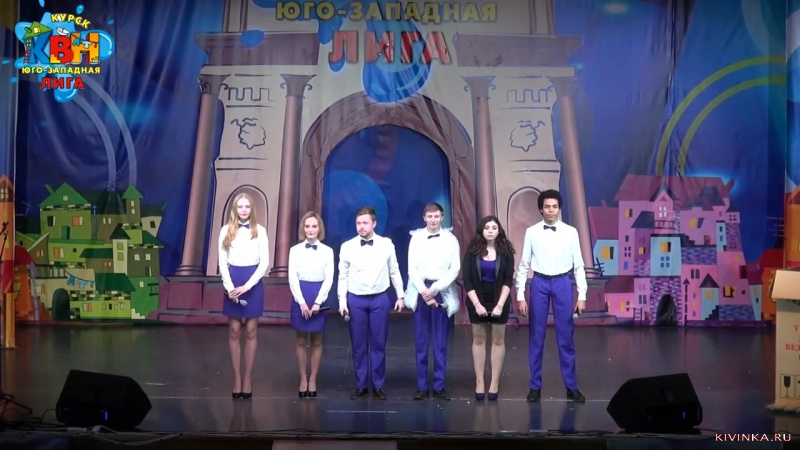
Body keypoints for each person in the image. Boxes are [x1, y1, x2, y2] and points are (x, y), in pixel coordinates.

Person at [516, 189, 586, 403]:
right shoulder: (532, 232)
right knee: (536, 336)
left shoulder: (571, 232)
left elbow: (579, 265)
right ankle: (534, 386)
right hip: (539, 283)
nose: (551, 210)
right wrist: (520, 294)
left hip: (563, 282)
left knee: (566, 337)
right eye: (547, 207)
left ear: (559, 208)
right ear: (541, 209)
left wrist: (582, 294)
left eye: (554, 206)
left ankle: (571, 386)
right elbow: (523, 265)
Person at [338, 206, 405, 400]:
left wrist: (400, 296)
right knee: (358, 345)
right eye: (358, 223)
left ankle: (378, 385)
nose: (361, 226)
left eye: (365, 223)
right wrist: (342, 300)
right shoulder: (347, 246)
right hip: (356, 299)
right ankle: (361, 385)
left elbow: (394, 271)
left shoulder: (386, 244)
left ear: (374, 224)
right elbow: (343, 276)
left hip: (379, 298)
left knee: (378, 343)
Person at [405, 202, 461, 401]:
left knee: (440, 342)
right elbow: (412, 268)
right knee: (421, 342)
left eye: (436, 216)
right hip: (421, 291)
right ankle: (422, 385)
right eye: (430, 216)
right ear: (424, 217)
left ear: (442, 217)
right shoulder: (416, 239)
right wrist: (424, 291)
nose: (433, 220)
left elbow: (455, 268)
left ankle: (439, 385)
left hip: (441, 290)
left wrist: (435, 289)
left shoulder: (451, 240)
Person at [218, 193, 270, 399]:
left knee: (250, 331)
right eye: (240, 206)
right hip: (233, 279)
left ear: (252, 208)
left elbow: (264, 263)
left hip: (253, 281)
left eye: (247, 206)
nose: (244, 210)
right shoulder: (225, 230)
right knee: (233, 331)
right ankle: (237, 378)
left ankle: (248, 378)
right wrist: (230, 287)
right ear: (235, 209)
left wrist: (247, 286)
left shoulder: (260, 231)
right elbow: (222, 261)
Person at [461, 215, 515, 401]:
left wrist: (500, 305)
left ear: (499, 230)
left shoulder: (506, 251)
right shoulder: (472, 250)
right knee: (479, 339)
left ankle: (494, 382)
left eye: (494, 227)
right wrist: (477, 304)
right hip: (477, 299)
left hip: (500, 300)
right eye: (487, 228)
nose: (490, 231)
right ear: (481, 230)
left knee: (498, 340)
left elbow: (508, 279)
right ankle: (479, 382)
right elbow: (467, 279)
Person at [288, 211, 334, 399]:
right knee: (301, 340)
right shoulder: (295, 250)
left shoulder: (327, 251)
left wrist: (317, 302)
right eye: (307, 226)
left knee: (317, 341)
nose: (310, 229)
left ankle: (313, 378)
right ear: (303, 228)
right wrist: (301, 302)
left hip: (319, 296)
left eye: (314, 226)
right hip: (300, 295)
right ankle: (303, 378)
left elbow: (329, 278)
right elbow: (292, 277)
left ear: (319, 228)